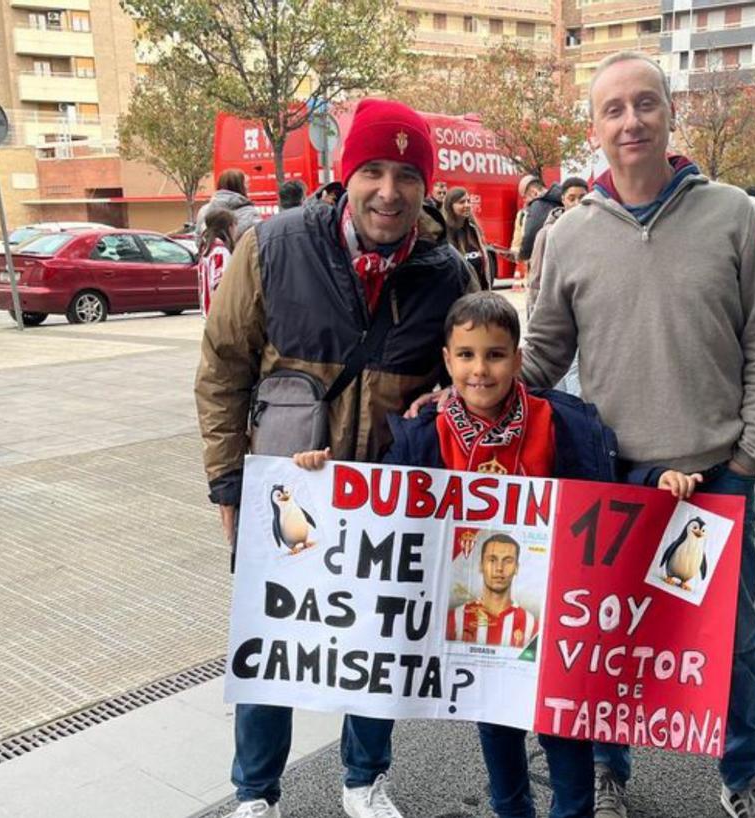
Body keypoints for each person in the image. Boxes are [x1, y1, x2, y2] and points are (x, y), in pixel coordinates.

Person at [297, 291, 705, 818]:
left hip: (558, 608)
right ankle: (512, 809)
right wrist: (317, 479)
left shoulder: (561, 422)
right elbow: (377, 501)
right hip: (480, 620)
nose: (480, 369)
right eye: (466, 355)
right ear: (447, 360)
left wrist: (657, 480)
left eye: (494, 354)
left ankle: (575, 810)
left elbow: (611, 481)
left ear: (517, 358)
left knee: (563, 723)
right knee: (496, 722)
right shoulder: (426, 434)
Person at [521, 52, 755, 818]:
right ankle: (611, 772)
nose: (630, 120)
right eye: (614, 109)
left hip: (716, 474)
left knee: (730, 643)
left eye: (645, 104)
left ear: (672, 113)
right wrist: (471, 391)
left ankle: (744, 777)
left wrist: (751, 451)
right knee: (609, 641)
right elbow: (545, 355)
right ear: (594, 129)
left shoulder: (733, 214)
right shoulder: (569, 235)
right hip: (613, 481)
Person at [195, 98, 475, 818]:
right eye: (374, 171)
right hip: (290, 493)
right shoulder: (276, 245)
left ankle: (363, 780)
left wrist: (445, 402)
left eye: (408, 175)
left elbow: (476, 376)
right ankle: (256, 794)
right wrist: (229, 483)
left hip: (388, 506)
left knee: (375, 649)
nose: (390, 191)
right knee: (273, 647)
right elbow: (223, 367)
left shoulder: (448, 273)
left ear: (426, 186)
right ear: (346, 175)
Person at [446, 533, 537, 647]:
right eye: (492, 560)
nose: (499, 568)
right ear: (481, 566)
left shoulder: (531, 625)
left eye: (507, 561)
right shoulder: (455, 618)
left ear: (516, 568)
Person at [526, 176, 588, 318]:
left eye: (582, 198)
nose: (577, 203)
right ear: (563, 200)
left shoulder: (595, 231)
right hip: (558, 312)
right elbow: (536, 280)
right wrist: (536, 315)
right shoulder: (547, 234)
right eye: (571, 198)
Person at [443, 186, 494, 291]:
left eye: (468, 201)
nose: (467, 205)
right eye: (461, 202)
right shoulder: (443, 234)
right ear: (450, 206)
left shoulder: (474, 231)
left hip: (477, 298)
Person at [196, 169, 261, 240]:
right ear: (240, 187)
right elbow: (256, 240)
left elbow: (199, 240)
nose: (248, 188)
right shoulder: (249, 213)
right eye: (246, 185)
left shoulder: (204, 211)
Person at [197, 209, 236, 318]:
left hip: (208, 313)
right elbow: (220, 285)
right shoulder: (220, 252)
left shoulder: (207, 250)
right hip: (220, 315)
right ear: (229, 227)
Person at [508, 175, 544, 263]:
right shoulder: (522, 215)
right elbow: (517, 242)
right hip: (531, 266)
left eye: (525, 197)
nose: (524, 201)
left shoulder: (553, 209)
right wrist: (514, 254)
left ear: (534, 193)